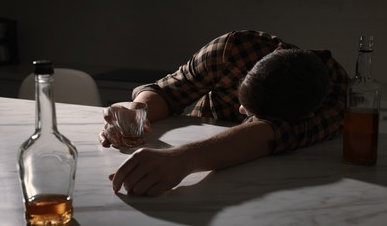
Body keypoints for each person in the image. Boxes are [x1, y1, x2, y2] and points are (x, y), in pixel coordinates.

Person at [99, 30, 349, 197]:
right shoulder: (233, 50)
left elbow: (269, 134)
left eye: (253, 113)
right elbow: (166, 92)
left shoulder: (335, 102)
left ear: (306, 115)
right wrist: (135, 114)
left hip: (270, 183)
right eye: (241, 100)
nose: (241, 111)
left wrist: (181, 160)